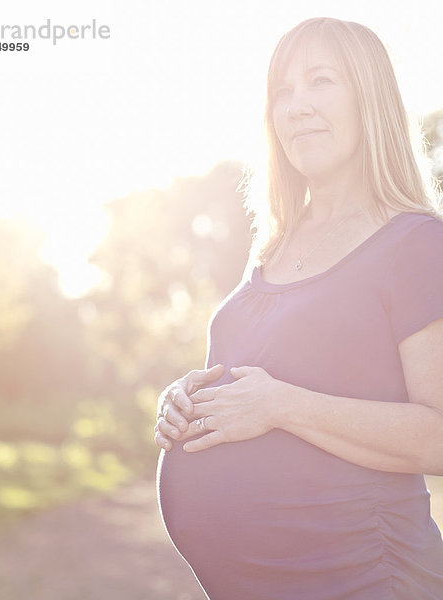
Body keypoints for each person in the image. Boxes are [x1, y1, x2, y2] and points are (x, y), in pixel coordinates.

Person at [154, 16, 443, 600]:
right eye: (282, 91)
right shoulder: (273, 246)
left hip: (370, 579)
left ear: (371, 101)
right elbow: (255, 378)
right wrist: (189, 396)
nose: (296, 105)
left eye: (320, 81)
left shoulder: (417, 244)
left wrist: (282, 406)